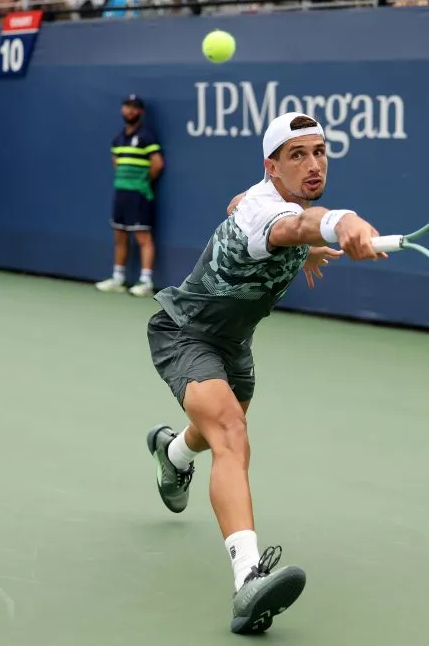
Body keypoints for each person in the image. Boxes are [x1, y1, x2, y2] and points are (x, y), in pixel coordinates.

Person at [143, 112, 385, 634]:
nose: (313, 163)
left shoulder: (266, 200)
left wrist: (310, 248)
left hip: (235, 346)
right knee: (231, 434)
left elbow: (275, 219)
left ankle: (172, 452)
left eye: (319, 152)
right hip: (186, 331)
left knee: (214, 434)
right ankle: (248, 580)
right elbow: (288, 224)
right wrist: (336, 224)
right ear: (271, 168)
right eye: (297, 155)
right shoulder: (266, 212)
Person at [96, 94, 164, 297]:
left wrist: (142, 182)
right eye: (127, 106)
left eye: (134, 107)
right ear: (122, 110)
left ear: (141, 112)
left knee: (143, 237)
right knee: (120, 236)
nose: (130, 110)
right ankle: (118, 278)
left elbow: (157, 163)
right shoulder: (117, 139)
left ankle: (145, 281)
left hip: (139, 194)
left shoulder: (146, 136)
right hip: (121, 193)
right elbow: (115, 163)